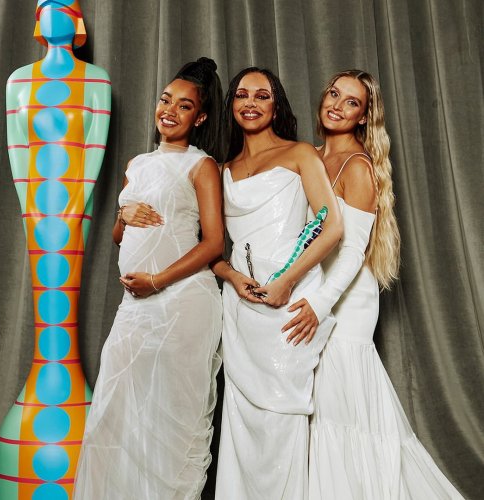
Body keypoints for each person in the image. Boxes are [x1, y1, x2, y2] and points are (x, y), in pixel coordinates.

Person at [307, 69, 464, 499]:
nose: (337, 105)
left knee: (344, 410)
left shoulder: (358, 167)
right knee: (320, 409)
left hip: (346, 299)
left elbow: (353, 253)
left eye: (351, 102)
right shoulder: (312, 156)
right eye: (334, 94)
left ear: (363, 116)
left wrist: (320, 304)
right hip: (315, 290)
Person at [74, 57, 225, 499]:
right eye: (165, 100)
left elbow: (214, 243)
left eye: (183, 106)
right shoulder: (137, 163)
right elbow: (122, 237)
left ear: (199, 118)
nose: (169, 111)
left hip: (182, 304)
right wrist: (122, 213)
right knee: (117, 411)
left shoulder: (202, 166)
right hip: (135, 306)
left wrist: (158, 280)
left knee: (168, 418)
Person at [212, 67, 343, 500]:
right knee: (242, 419)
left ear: (276, 105)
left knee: (283, 413)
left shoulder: (300, 153)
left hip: (289, 302)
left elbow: (332, 228)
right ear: (231, 106)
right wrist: (231, 276)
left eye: (262, 95)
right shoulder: (223, 169)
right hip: (240, 308)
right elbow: (211, 249)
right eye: (242, 95)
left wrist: (286, 281)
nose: (251, 103)